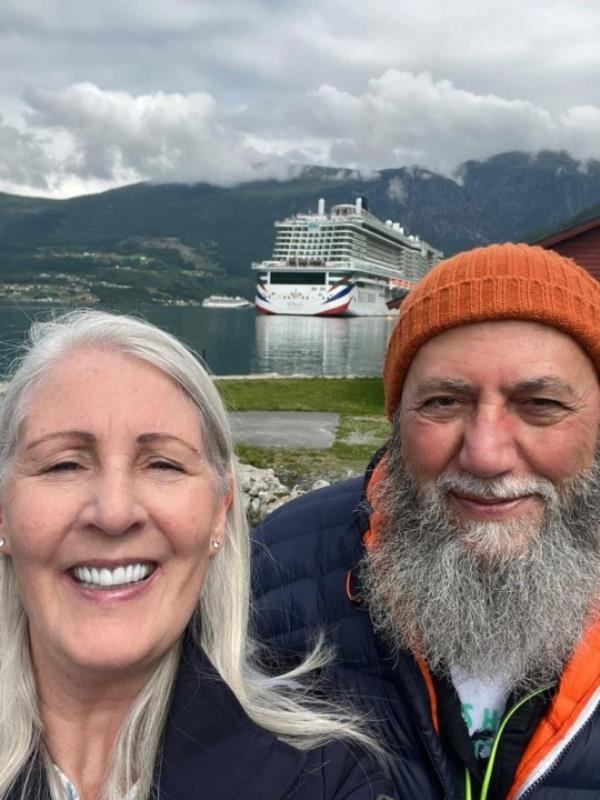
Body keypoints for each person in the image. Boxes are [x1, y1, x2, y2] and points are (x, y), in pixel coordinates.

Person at [0, 310, 395, 800]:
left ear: (217, 515)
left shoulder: (325, 778)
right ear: (3, 514)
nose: (114, 513)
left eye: (163, 464)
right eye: (63, 464)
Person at [253, 242, 600, 799]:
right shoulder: (269, 575)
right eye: (443, 402)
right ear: (396, 419)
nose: (486, 456)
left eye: (540, 404)